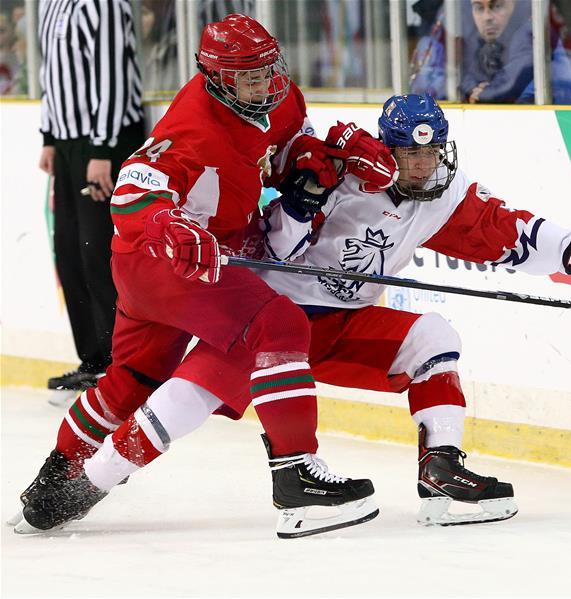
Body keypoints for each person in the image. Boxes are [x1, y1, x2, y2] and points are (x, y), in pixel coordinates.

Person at [38, 94, 571, 533]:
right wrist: (304, 200)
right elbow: (276, 247)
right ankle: (87, 486)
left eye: (431, 154)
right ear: (388, 148)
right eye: (409, 154)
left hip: (344, 325)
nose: (421, 167)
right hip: (271, 320)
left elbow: (509, 233)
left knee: (433, 337)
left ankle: (441, 471)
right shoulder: (344, 175)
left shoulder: (445, 196)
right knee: (184, 400)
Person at [12, 14, 397, 539]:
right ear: (216, 77)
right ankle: (296, 474)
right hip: (168, 258)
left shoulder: (281, 97)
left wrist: (324, 159)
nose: (264, 85)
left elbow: (283, 150)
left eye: (268, 71)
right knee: (280, 325)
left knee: (135, 378)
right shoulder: (192, 125)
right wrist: (170, 225)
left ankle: (54, 483)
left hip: (182, 257)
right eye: (249, 77)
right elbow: (132, 191)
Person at [37, 0, 147, 396]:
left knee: (100, 254)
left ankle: (124, 365)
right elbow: (50, 71)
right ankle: (95, 360)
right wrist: (49, 137)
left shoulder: (104, 4)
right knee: (70, 253)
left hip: (104, 143)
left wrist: (103, 148)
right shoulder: (49, 4)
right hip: (68, 144)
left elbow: (112, 75)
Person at [461, 0, 571, 104]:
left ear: (515, 4)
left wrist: (484, 93)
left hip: (561, 116)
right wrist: (473, 88)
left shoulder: (531, 30)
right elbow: (465, 71)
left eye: (497, 6)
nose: (487, 17)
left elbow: (509, 85)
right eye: (479, 8)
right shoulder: (489, 39)